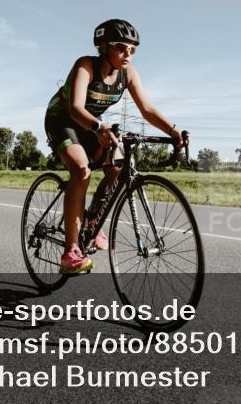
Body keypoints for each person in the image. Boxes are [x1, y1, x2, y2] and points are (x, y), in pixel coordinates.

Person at [44, 19, 187, 274]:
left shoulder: (128, 73)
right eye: (120, 47)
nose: (127, 54)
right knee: (81, 170)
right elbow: (76, 108)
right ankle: (71, 251)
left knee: (119, 168)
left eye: (132, 50)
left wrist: (171, 129)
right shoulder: (86, 65)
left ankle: (92, 222)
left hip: (93, 125)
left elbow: (147, 109)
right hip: (64, 120)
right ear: (103, 46)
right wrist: (99, 128)